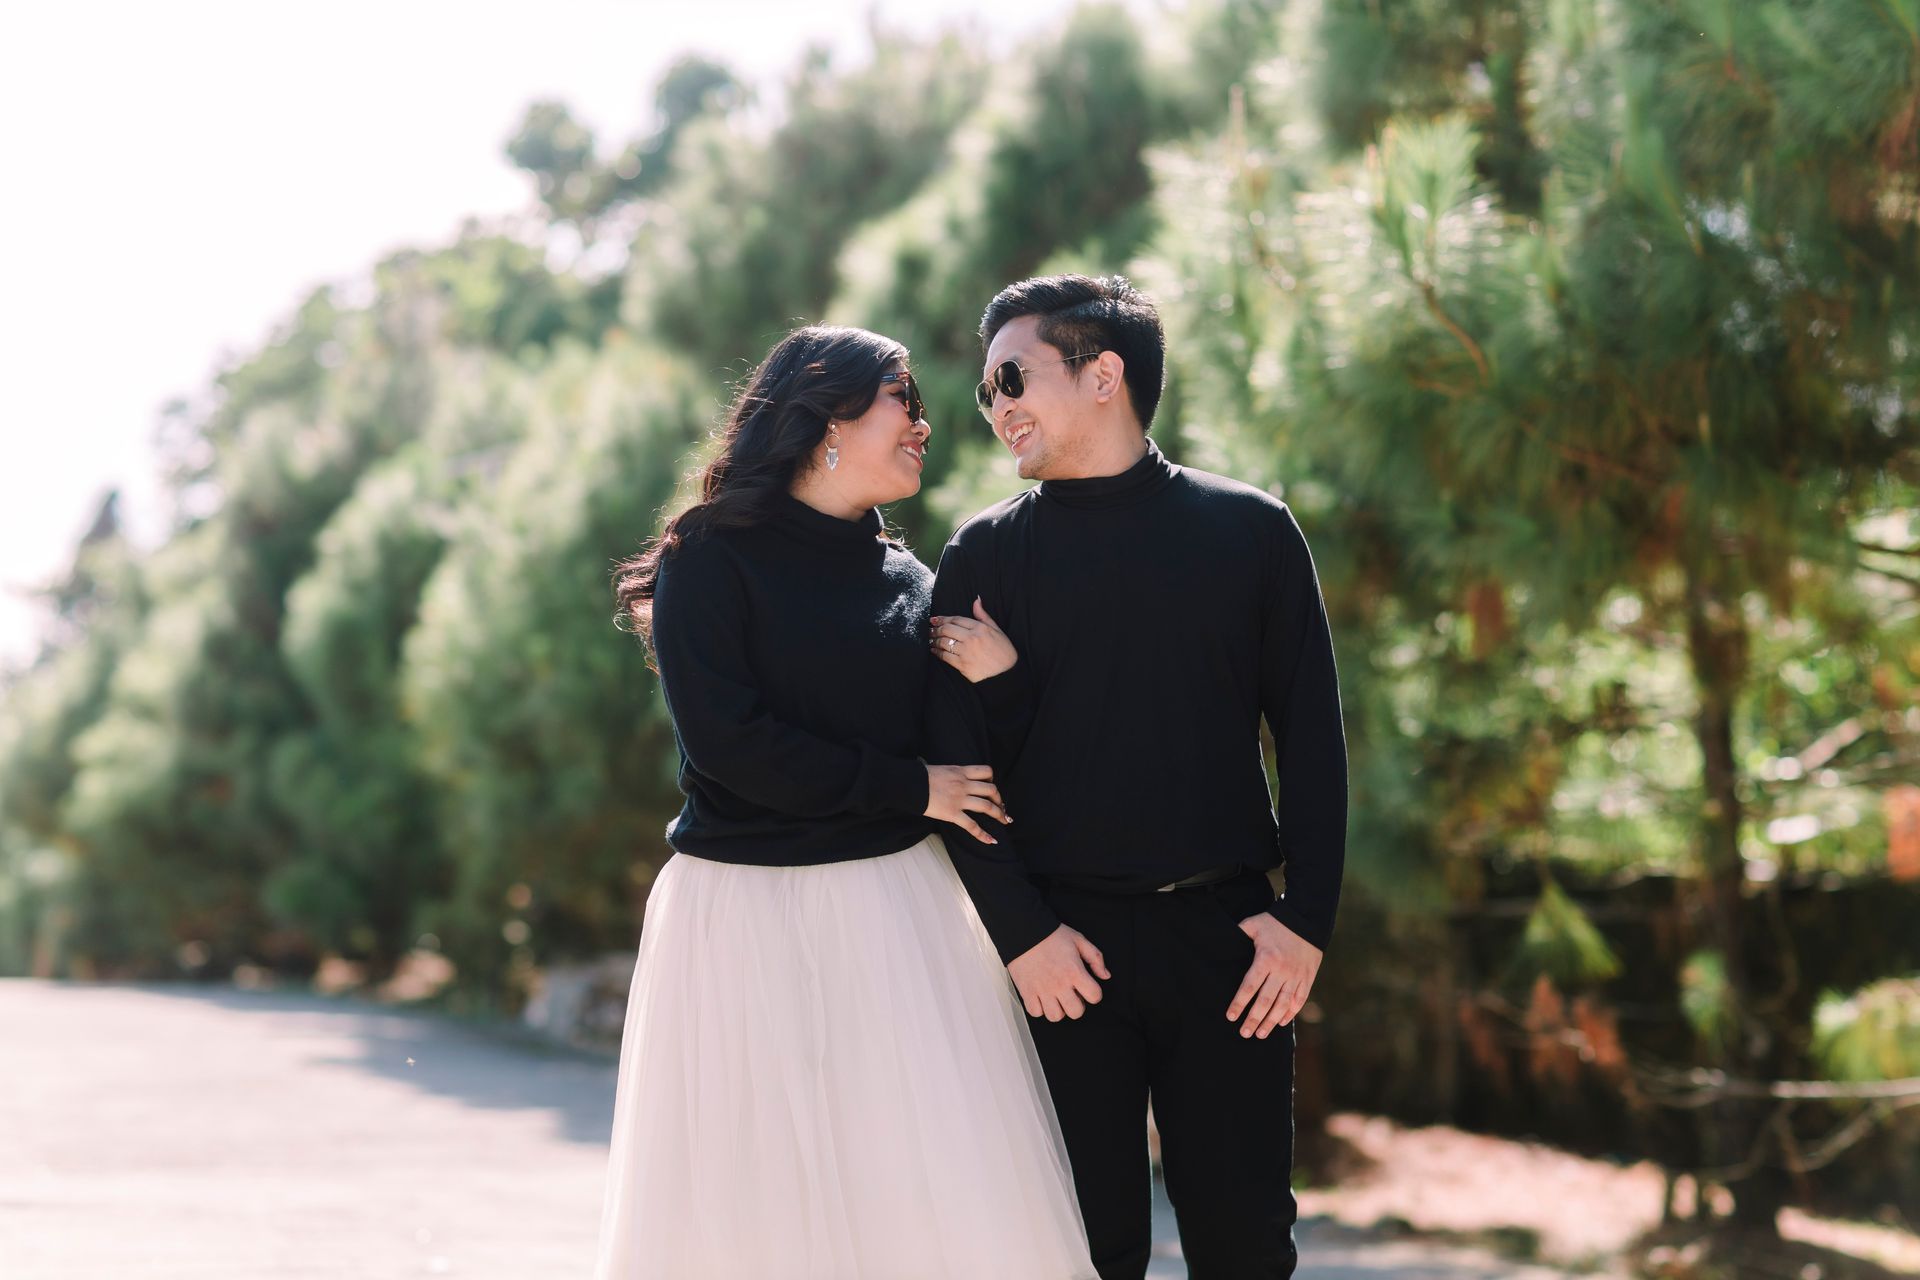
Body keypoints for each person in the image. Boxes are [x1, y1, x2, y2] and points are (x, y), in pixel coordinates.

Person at [598, 325, 1096, 1280]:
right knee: (755, 1205)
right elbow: (731, 746)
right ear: (828, 416)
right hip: (740, 917)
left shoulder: (911, 581)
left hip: (898, 915)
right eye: (903, 398)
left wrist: (1003, 682)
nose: (925, 423)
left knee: (918, 1197)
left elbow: (978, 761)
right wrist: (909, 788)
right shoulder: (710, 556)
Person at [925, 275, 1349, 1280]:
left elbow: (1312, 739)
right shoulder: (982, 554)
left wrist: (1306, 919)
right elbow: (960, 776)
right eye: (986, 390)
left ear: (1104, 374)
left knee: (1246, 1247)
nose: (996, 407)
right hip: (1060, 952)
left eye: (1013, 378)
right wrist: (1023, 935)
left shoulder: (1252, 530)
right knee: (1080, 1253)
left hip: (1229, 946)